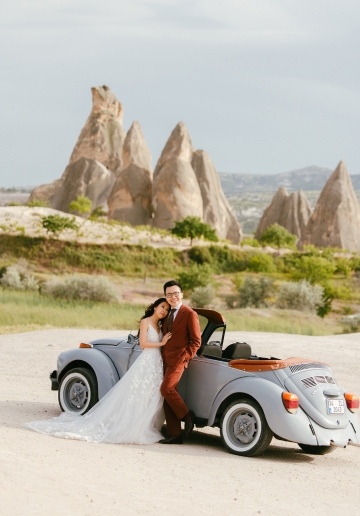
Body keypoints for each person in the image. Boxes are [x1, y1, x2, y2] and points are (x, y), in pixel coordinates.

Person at [23, 298, 172, 445]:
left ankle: (144, 425)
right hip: (146, 360)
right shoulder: (146, 322)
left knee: (149, 394)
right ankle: (133, 425)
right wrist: (162, 342)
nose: (164, 311)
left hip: (155, 363)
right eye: (162, 307)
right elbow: (144, 344)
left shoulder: (159, 325)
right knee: (138, 392)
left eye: (166, 309)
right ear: (155, 306)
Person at [159, 280, 201, 444]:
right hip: (165, 359)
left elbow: (196, 341)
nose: (173, 297)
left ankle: (187, 416)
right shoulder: (166, 313)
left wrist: (185, 357)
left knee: (166, 389)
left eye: (176, 293)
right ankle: (175, 434)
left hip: (179, 360)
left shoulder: (189, 313)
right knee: (167, 396)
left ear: (181, 294)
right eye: (169, 294)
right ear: (165, 296)